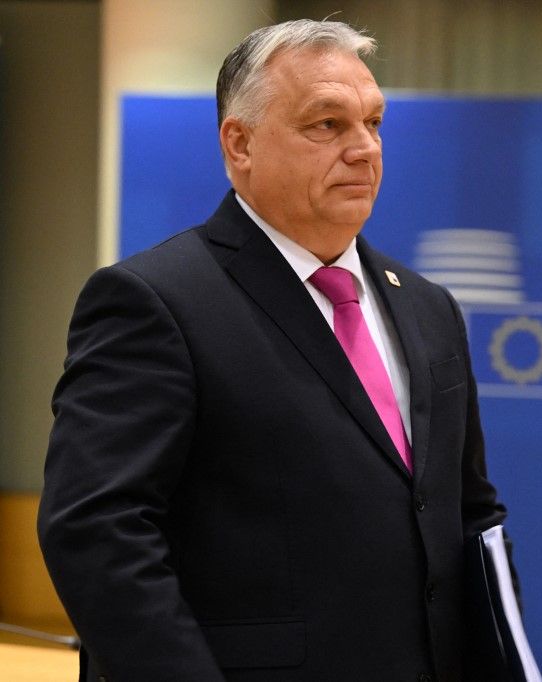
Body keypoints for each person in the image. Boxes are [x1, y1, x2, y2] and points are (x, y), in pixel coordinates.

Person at [38, 19, 512, 682]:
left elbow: (470, 515)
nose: (365, 150)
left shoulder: (429, 308)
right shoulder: (155, 300)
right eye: (327, 125)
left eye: (374, 123)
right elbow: (97, 532)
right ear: (240, 144)